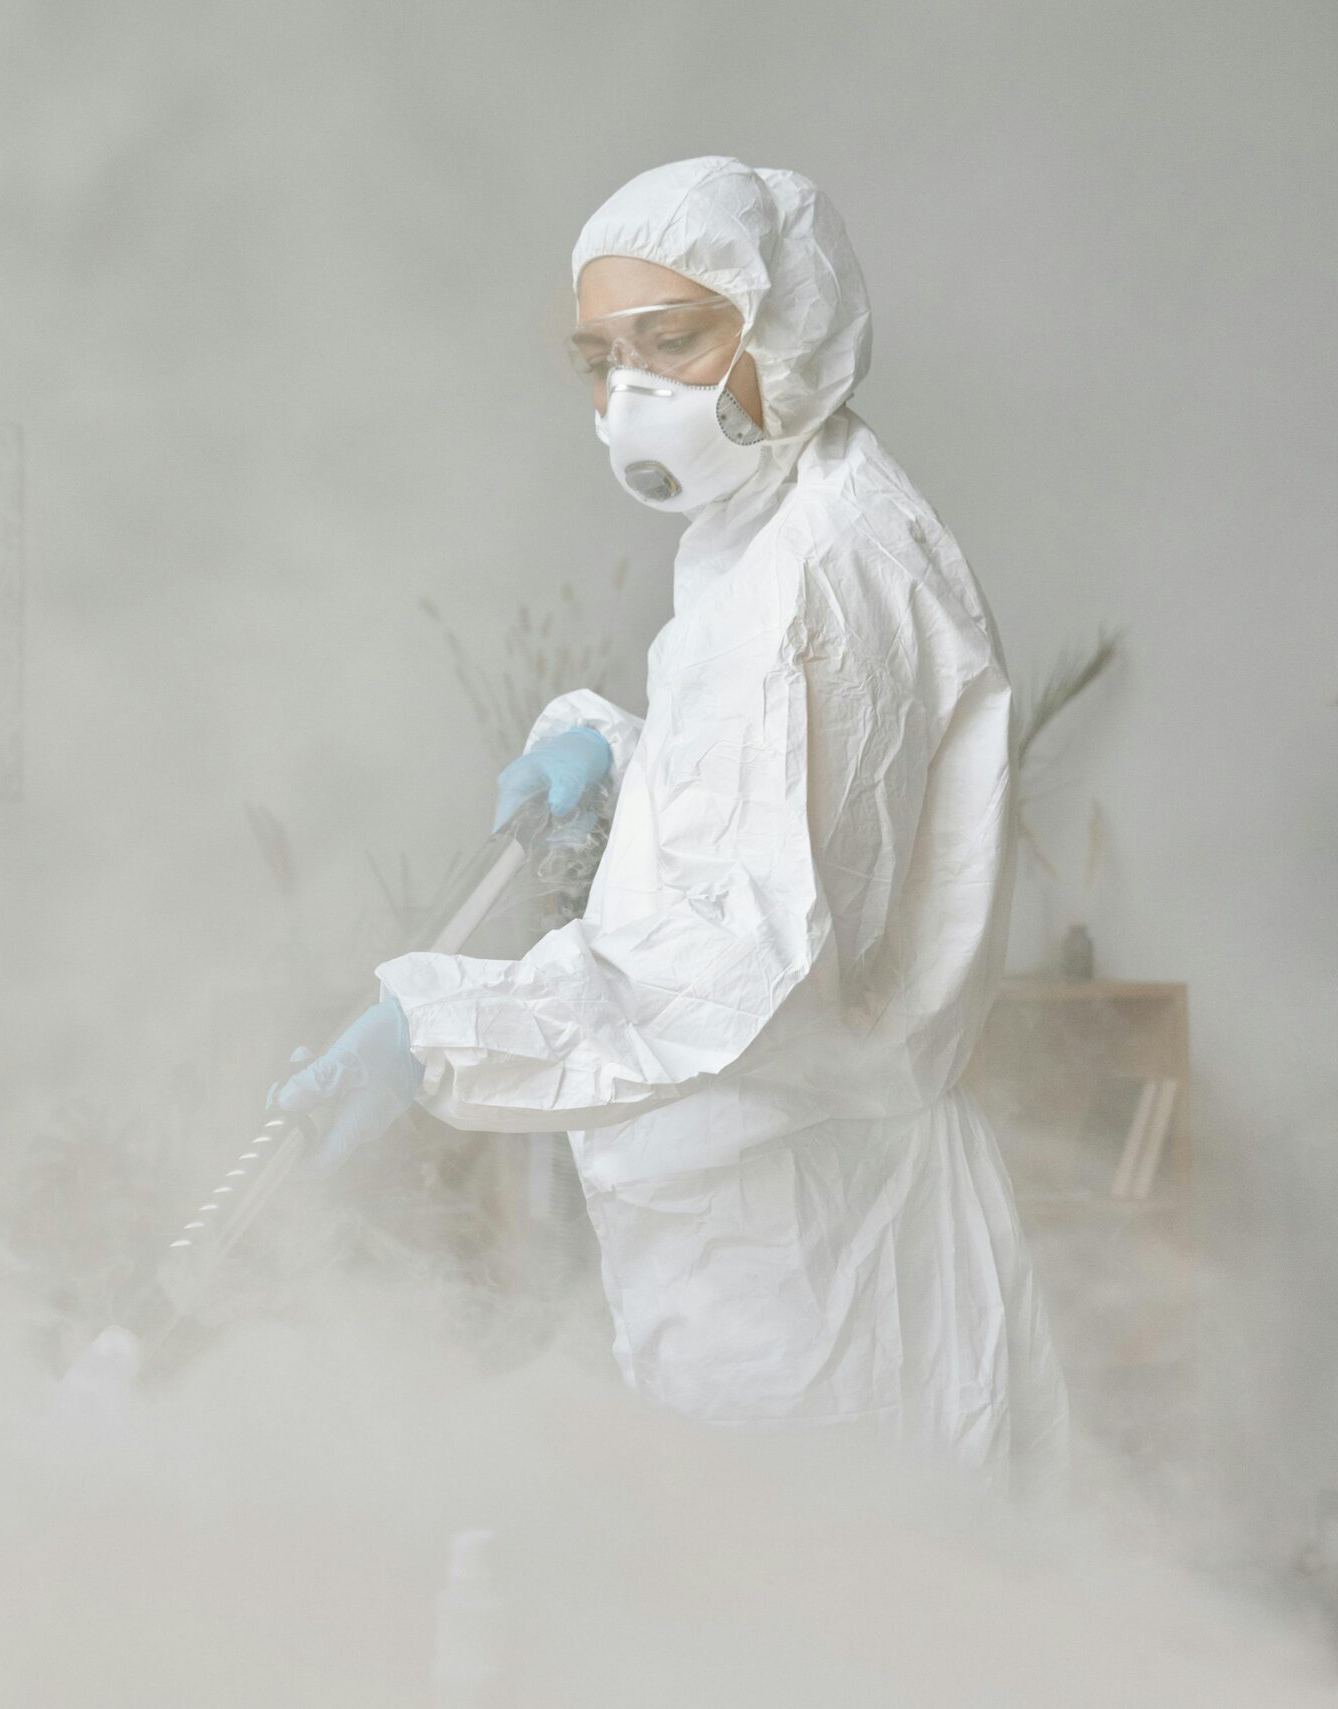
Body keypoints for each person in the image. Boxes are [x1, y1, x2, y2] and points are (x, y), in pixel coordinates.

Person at [279, 157, 1067, 1485]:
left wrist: (439, 1030)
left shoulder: (819, 577)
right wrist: (626, 752)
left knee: (828, 1634)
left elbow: (731, 963)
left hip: (812, 1259)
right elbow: (789, 815)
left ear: (788, 325)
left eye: (674, 341)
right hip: (761, 1217)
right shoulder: (775, 516)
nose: (631, 394)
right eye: (599, 358)